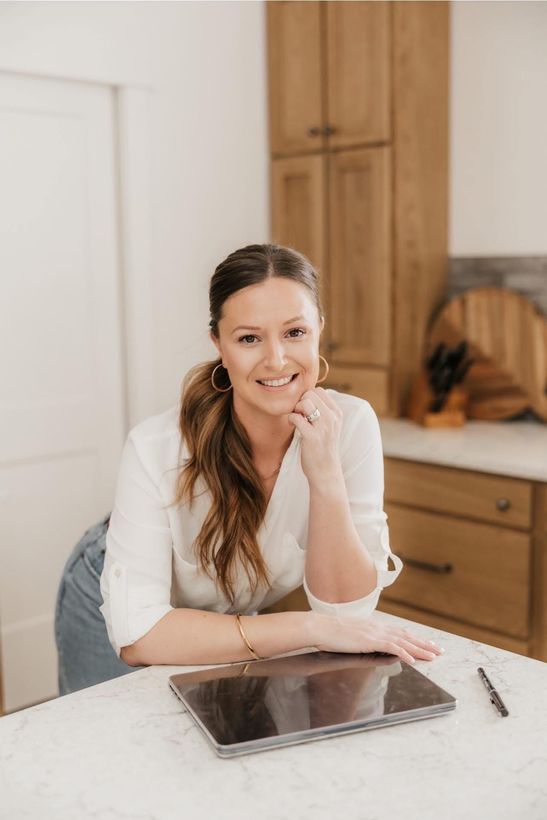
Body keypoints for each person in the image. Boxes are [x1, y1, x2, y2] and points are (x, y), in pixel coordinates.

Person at [56, 243, 442, 695]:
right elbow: (139, 635)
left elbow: (345, 613)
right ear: (219, 345)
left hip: (231, 609)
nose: (276, 359)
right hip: (118, 590)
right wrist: (306, 629)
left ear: (319, 329)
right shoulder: (156, 447)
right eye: (249, 338)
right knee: (114, 744)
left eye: (295, 332)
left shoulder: (351, 425)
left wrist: (326, 476)